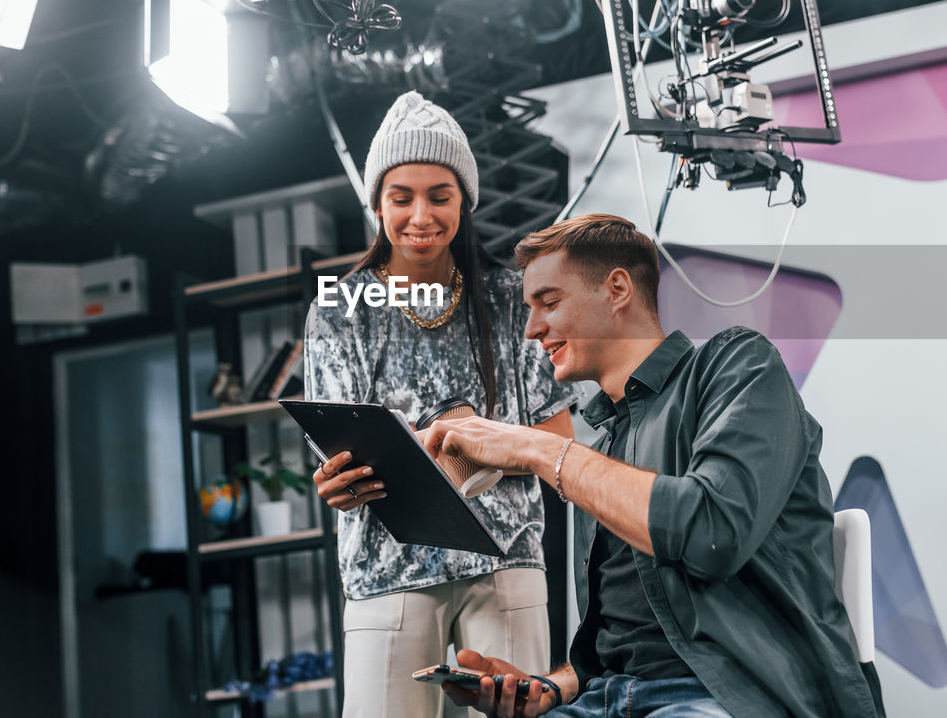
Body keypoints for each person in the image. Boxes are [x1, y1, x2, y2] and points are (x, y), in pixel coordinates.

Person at [422, 213, 886, 718]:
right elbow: (622, 645)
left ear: (618, 288)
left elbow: (713, 532)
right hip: (607, 701)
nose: (532, 329)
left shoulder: (738, 367)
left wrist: (539, 449)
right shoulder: (599, 452)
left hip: (734, 696)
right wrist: (549, 689)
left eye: (549, 302)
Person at [304, 90, 579, 718]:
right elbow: (331, 457)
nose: (420, 215)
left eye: (440, 195)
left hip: (505, 559)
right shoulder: (338, 309)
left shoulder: (515, 299)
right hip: (384, 569)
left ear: (465, 202)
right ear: (378, 203)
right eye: (401, 198)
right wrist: (334, 484)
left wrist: (474, 441)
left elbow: (560, 445)